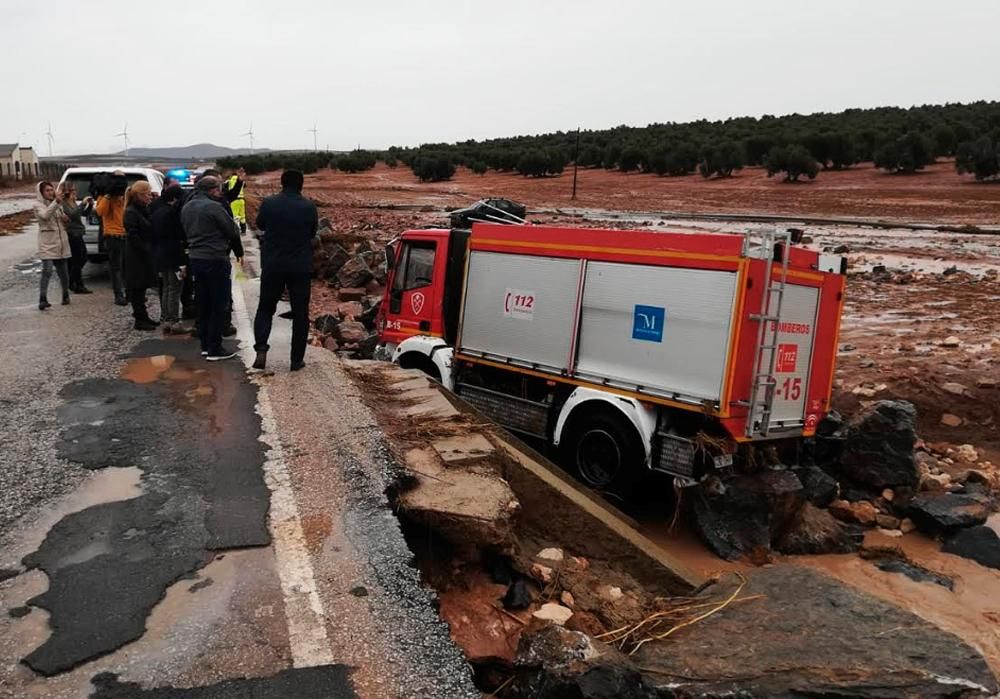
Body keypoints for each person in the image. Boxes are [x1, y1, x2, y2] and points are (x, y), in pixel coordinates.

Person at [252, 169, 318, 372]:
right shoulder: (309, 207)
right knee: (300, 313)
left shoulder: (269, 203)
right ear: (301, 184)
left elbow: (260, 224)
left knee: (265, 308)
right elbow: (313, 232)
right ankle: (296, 360)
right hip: (300, 267)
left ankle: (261, 349)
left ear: (282, 183)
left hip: (273, 264)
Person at [181, 176, 243, 360]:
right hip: (215, 258)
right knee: (218, 303)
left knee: (203, 302)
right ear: (213, 190)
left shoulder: (187, 207)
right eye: (218, 189)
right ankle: (215, 348)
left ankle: (206, 345)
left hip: (196, 258)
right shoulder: (214, 207)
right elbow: (232, 231)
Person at [150, 185, 187, 334]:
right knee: (175, 289)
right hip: (173, 255)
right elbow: (178, 238)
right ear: (175, 199)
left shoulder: (157, 212)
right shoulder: (173, 214)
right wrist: (182, 262)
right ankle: (174, 321)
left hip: (160, 255)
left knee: (165, 287)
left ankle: (166, 319)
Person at [123, 181, 160, 330]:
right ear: (140, 195)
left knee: (142, 286)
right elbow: (133, 235)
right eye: (148, 194)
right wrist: (146, 249)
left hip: (143, 253)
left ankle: (143, 316)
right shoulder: (131, 212)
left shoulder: (142, 209)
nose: (150, 197)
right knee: (137, 288)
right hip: (135, 255)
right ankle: (140, 318)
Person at [34, 181, 72, 310]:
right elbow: (45, 216)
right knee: (47, 270)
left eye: (51, 190)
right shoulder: (37, 205)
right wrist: (56, 202)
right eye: (47, 190)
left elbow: (61, 220)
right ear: (41, 193)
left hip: (61, 242)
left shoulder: (58, 204)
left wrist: (66, 219)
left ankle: (66, 295)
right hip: (47, 243)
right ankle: (42, 298)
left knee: (64, 272)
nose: (50, 192)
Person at [94, 171, 128, 305]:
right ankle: (118, 295)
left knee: (127, 267)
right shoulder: (103, 198)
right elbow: (100, 212)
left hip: (125, 234)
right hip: (112, 236)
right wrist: (108, 195)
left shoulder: (124, 196)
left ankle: (129, 293)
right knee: (116, 268)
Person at [58, 182, 94, 294]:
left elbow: (82, 214)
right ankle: (75, 283)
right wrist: (82, 204)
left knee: (80, 259)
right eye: (72, 190)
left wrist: (90, 205)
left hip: (78, 232)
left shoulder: (72, 201)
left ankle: (74, 282)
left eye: (74, 190)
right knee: (78, 259)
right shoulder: (63, 203)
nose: (75, 191)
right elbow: (72, 214)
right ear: (67, 191)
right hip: (72, 233)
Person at [223, 167, 247, 234]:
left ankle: (235, 231)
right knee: (242, 216)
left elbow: (225, 188)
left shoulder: (229, 180)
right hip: (242, 200)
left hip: (234, 200)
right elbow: (244, 186)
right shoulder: (241, 180)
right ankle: (244, 230)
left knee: (234, 217)